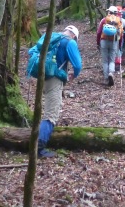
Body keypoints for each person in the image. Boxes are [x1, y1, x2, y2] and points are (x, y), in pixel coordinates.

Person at [37, 25, 82, 158]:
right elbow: (78, 64)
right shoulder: (70, 42)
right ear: (74, 35)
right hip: (54, 78)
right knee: (51, 114)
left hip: (42, 76)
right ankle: (39, 147)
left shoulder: (50, 37)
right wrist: (74, 74)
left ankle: (38, 136)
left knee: (45, 108)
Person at [96, 6, 123, 86]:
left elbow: (98, 33)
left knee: (105, 61)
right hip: (114, 42)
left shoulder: (104, 20)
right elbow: (121, 34)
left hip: (104, 41)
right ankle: (111, 73)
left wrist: (98, 43)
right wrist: (120, 45)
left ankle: (106, 78)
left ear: (109, 12)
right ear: (116, 13)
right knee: (111, 60)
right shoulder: (119, 21)